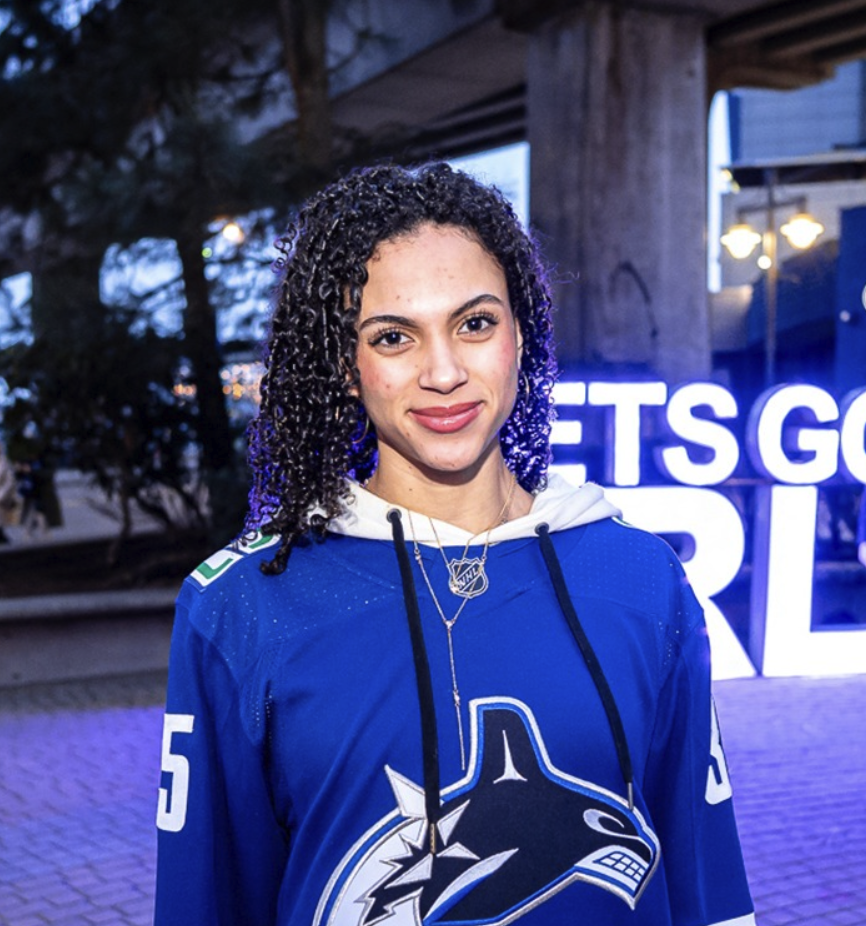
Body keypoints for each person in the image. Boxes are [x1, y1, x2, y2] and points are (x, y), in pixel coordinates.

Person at [155, 163, 755, 926]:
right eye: (394, 336)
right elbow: (205, 902)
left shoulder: (639, 577)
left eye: (475, 324)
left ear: (519, 333)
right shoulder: (242, 606)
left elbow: (708, 883)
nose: (444, 373)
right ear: (345, 365)